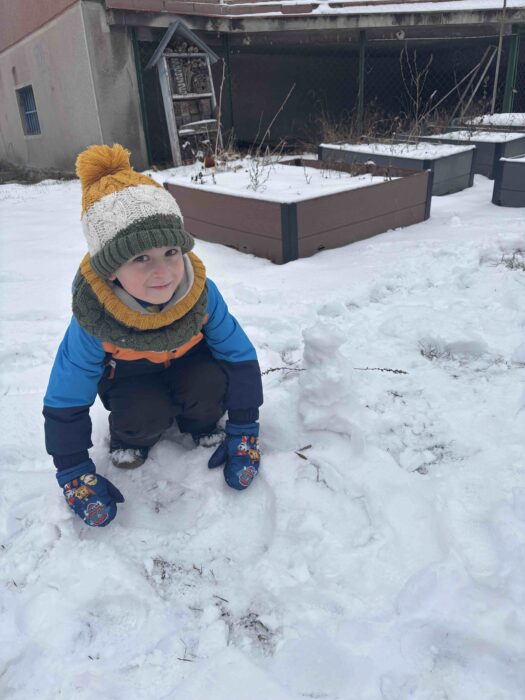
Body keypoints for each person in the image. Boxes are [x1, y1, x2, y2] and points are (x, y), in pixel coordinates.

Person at [43, 144, 263, 528]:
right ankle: (131, 440)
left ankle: (202, 425)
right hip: (131, 379)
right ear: (111, 270)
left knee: (209, 384)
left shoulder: (200, 295)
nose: (162, 272)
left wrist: (244, 427)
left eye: (170, 252)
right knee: (144, 413)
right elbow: (67, 394)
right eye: (140, 258)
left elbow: (238, 355)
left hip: (189, 365)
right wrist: (72, 468)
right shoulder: (95, 316)